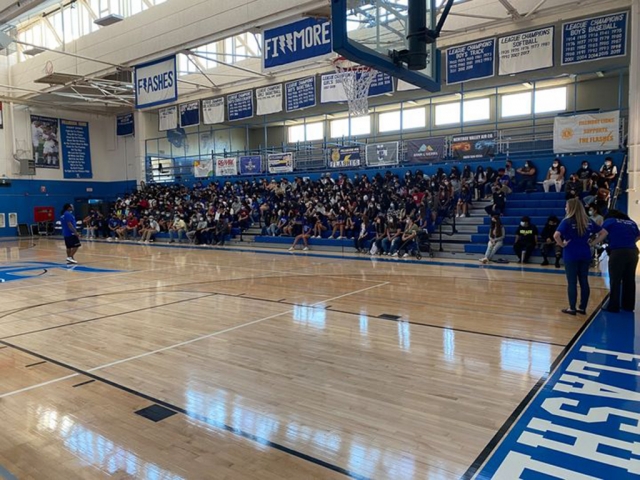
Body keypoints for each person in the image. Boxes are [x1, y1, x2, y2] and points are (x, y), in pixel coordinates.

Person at [553, 198, 602, 315]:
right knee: (584, 280)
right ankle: (582, 307)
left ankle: (572, 308)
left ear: (571, 208)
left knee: (572, 282)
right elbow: (604, 232)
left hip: (571, 254)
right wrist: (593, 243)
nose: (565, 208)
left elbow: (556, 235)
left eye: (566, 206)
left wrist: (562, 244)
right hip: (585, 253)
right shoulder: (588, 221)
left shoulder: (567, 221)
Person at [591, 210, 640, 313]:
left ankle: (613, 306)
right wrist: (628, 242)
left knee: (615, 280)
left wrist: (591, 244)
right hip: (632, 252)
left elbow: (602, 234)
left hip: (618, 252)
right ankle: (628, 306)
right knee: (629, 279)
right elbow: (638, 236)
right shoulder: (631, 222)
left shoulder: (610, 221)